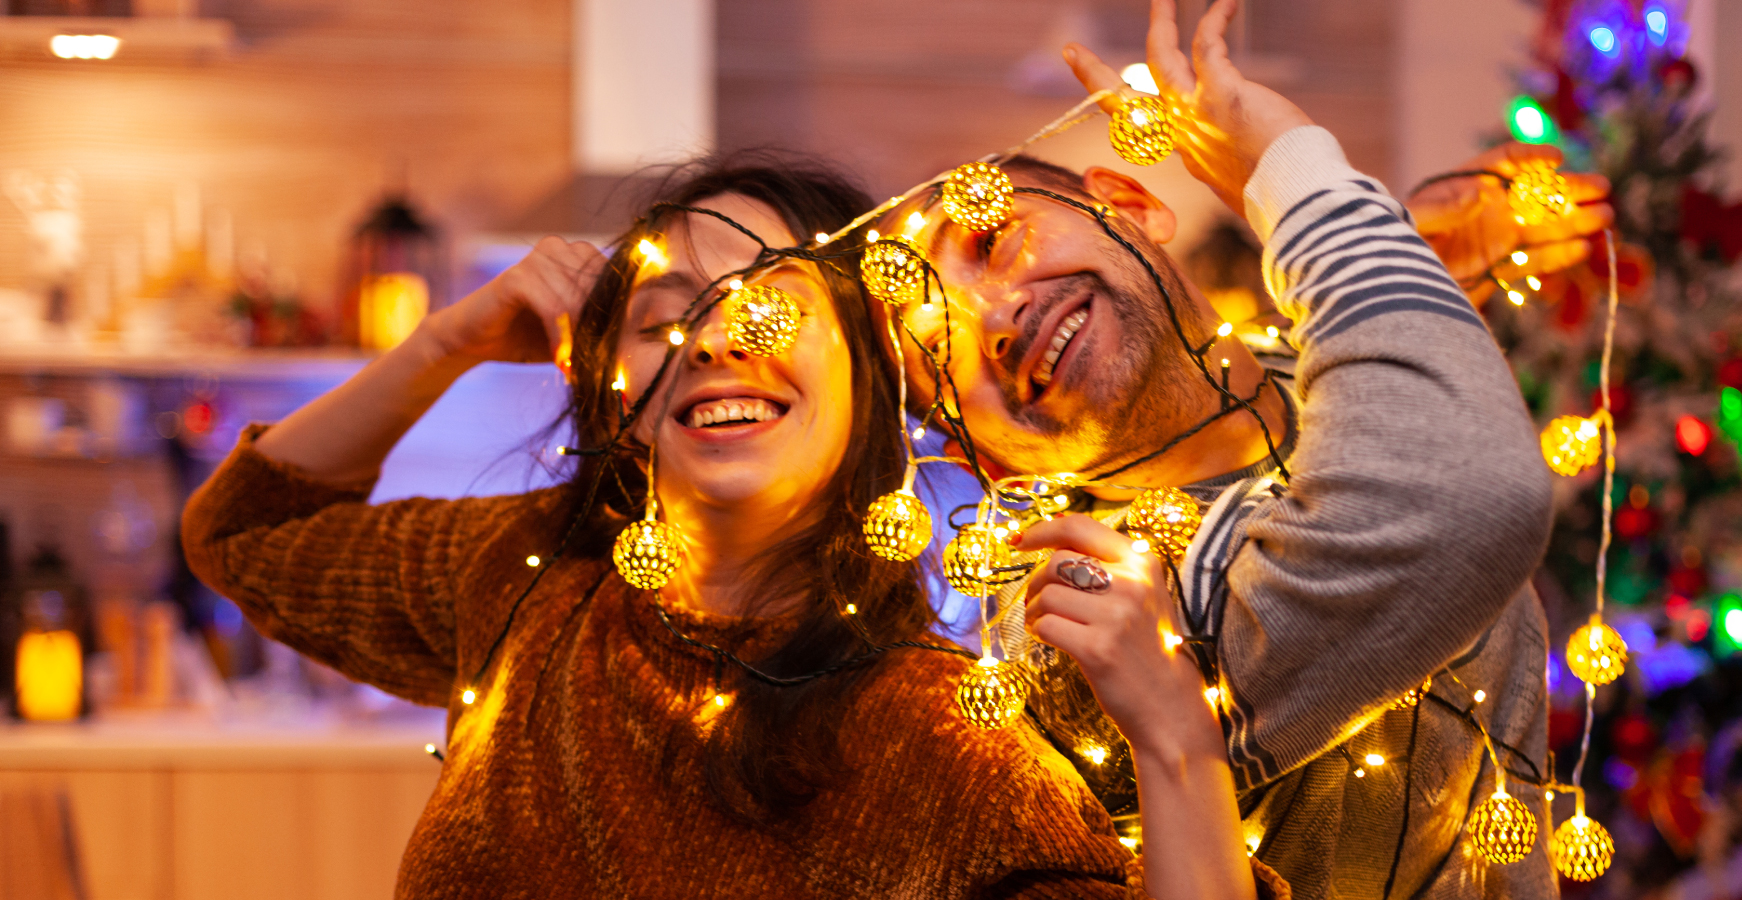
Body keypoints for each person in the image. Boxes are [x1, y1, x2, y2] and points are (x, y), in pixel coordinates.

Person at [181, 159, 1285, 899]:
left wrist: (1178, 748)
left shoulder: (941, 743)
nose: (711, 341)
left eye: (771, 303)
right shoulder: (524, 586)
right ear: (615, 392)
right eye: (663, 318)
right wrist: (450, 340)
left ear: (872, 382)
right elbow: (247, 530)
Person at [879, 0, 1612, 897]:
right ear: (983, 455)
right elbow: (1464, 492)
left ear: (1132, 202)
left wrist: (1405, 246)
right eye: (934, 348)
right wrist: (1290, 174)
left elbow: (1321, 432)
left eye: (993, 239)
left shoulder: (1297, 379)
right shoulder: (1093, 620)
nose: (994, 320)